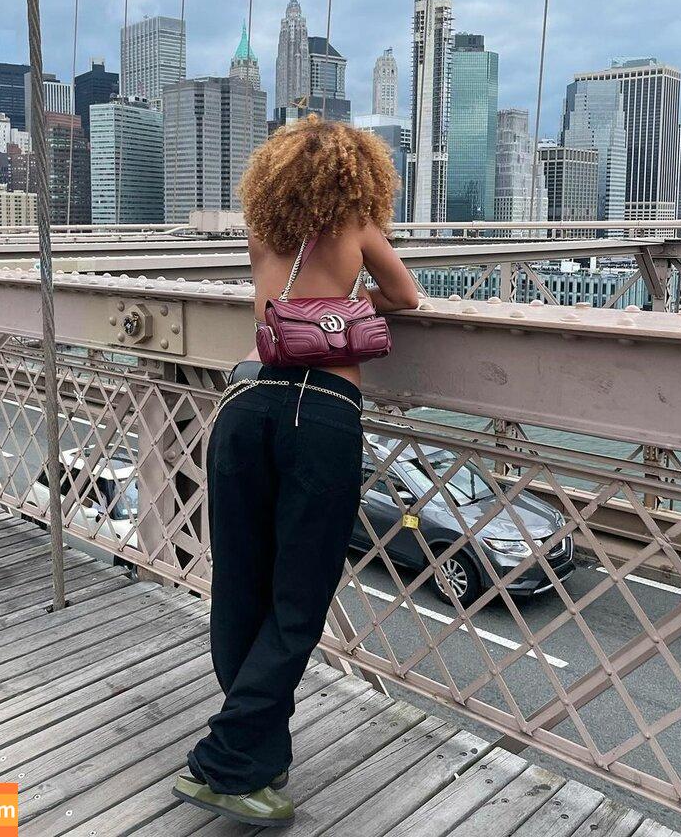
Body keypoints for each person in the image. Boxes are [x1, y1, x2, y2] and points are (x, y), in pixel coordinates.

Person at [172, 115, 420, 827]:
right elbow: (405, 297)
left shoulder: (261, 230)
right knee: (297, 601)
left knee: (240, 590)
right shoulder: (358, 227)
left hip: (246, 405)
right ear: (357, 173)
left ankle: (259, 755)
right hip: (322, 415)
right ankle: (225, 763)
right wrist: (347, 306)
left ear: (275, 174)